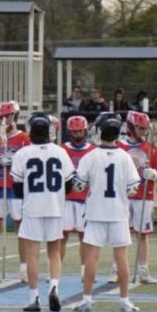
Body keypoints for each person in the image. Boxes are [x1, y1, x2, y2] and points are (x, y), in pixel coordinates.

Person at [72, 113, 141, 312]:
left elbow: (78, 186)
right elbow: (133, 188)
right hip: (118, 212)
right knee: (121, 257)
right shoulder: (124, 156)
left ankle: (86, 299)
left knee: (91, 257)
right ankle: (125, 300)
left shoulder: (90, 156)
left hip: (95, 212)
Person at [11, 112, 75, 312]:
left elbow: (18, 188)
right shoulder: (60, 152)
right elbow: (69, 184)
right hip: (55, 207)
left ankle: (34, 297)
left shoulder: (22, 154)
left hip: (32, 207)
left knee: (32, 253)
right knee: (54, 251)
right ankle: (54, 287)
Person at [114, 111, 157, 284]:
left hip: (144, 195)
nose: (143, 132)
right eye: (140, 128)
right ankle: (117, 268)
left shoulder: (150, 147)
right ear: (130, 127)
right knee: (121, 233)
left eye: (145, 129)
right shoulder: (119, 146)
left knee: (142, 234)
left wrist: (155, 174)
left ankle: (143, 269)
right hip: (124, 196)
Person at [0, 100, 31, 281]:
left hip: (16, 187)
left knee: (21, 227)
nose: (6, 120)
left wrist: (13, 161)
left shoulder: (24, 139)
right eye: (3, 117)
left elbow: (29, 161)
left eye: (9, 116)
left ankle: (24, 267)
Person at [60, 116, 95, 280]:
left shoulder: (92, 150)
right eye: (74, 131)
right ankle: (56, 269)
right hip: (65, 198)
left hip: (85, 199)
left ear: (86, 130)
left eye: (80, 131)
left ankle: (85, 271)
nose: (77, 134)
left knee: (85, 237)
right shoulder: (62, 149)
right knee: (61, 236)